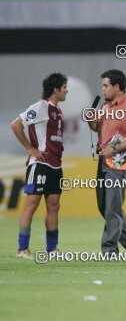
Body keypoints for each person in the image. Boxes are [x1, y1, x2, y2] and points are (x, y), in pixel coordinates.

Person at [87, 69, 126, 258]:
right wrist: (91, 120)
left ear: (116, 87)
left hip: (121, 162)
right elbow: (96, 127)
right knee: (105, 206)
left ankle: (109, 250)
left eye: (105, 86)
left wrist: (115, 148)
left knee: (112, 206)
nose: (102, 89)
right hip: (105, 160)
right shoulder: (105, 106)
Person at [11, 73, 68, 259]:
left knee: (54, 206)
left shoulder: (58, 111)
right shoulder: (40, 107)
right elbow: (16, 125)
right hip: (39, 165)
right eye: (64, 87)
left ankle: (52, 249)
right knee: (32, 205)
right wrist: (30, 148)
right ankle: (22, 249)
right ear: (56, 89)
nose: (67, 90)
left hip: (55, 166)